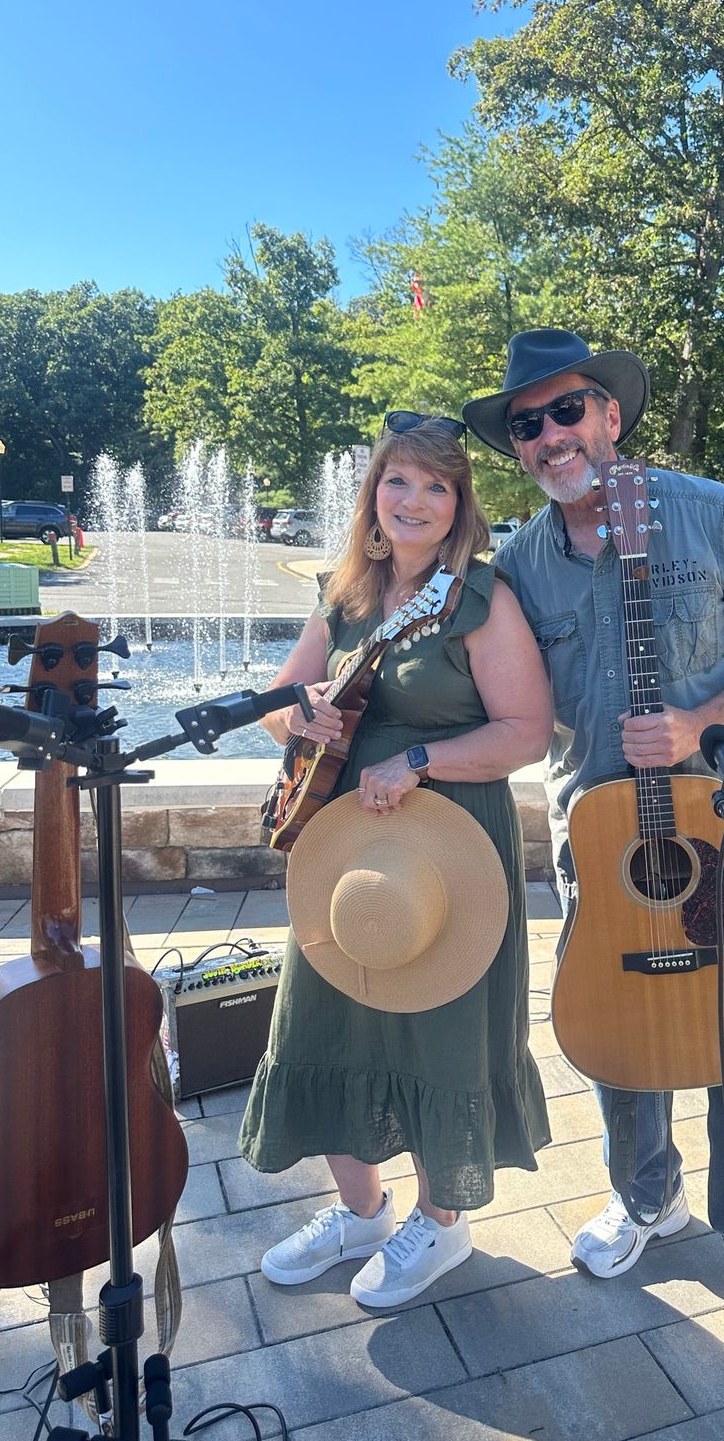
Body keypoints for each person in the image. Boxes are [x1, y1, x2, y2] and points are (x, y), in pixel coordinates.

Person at [463, 330, 724, 1362]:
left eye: (566, 411)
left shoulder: (713, 516)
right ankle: (646, 1196)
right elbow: (497, 692)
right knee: (618, 1026)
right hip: (599, 838)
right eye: (527, 424)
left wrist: (702, 721)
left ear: (610, 416)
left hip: (717, 833)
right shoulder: (523, 564)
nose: (549, 436)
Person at [239, 412, 553, 1308]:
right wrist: (300, 718)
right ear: (373, 493)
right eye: (398, 481)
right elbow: (278, 699)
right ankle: (361, 1211)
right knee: (328, 1014)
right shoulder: (347, 593)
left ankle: (442, 1225)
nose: (414, 500)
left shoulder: (480, 596)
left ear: (460, 506)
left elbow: (525, 732)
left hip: (449, 842)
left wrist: (417, 758)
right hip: (349, 846)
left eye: (436, 486)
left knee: (439, 1029)